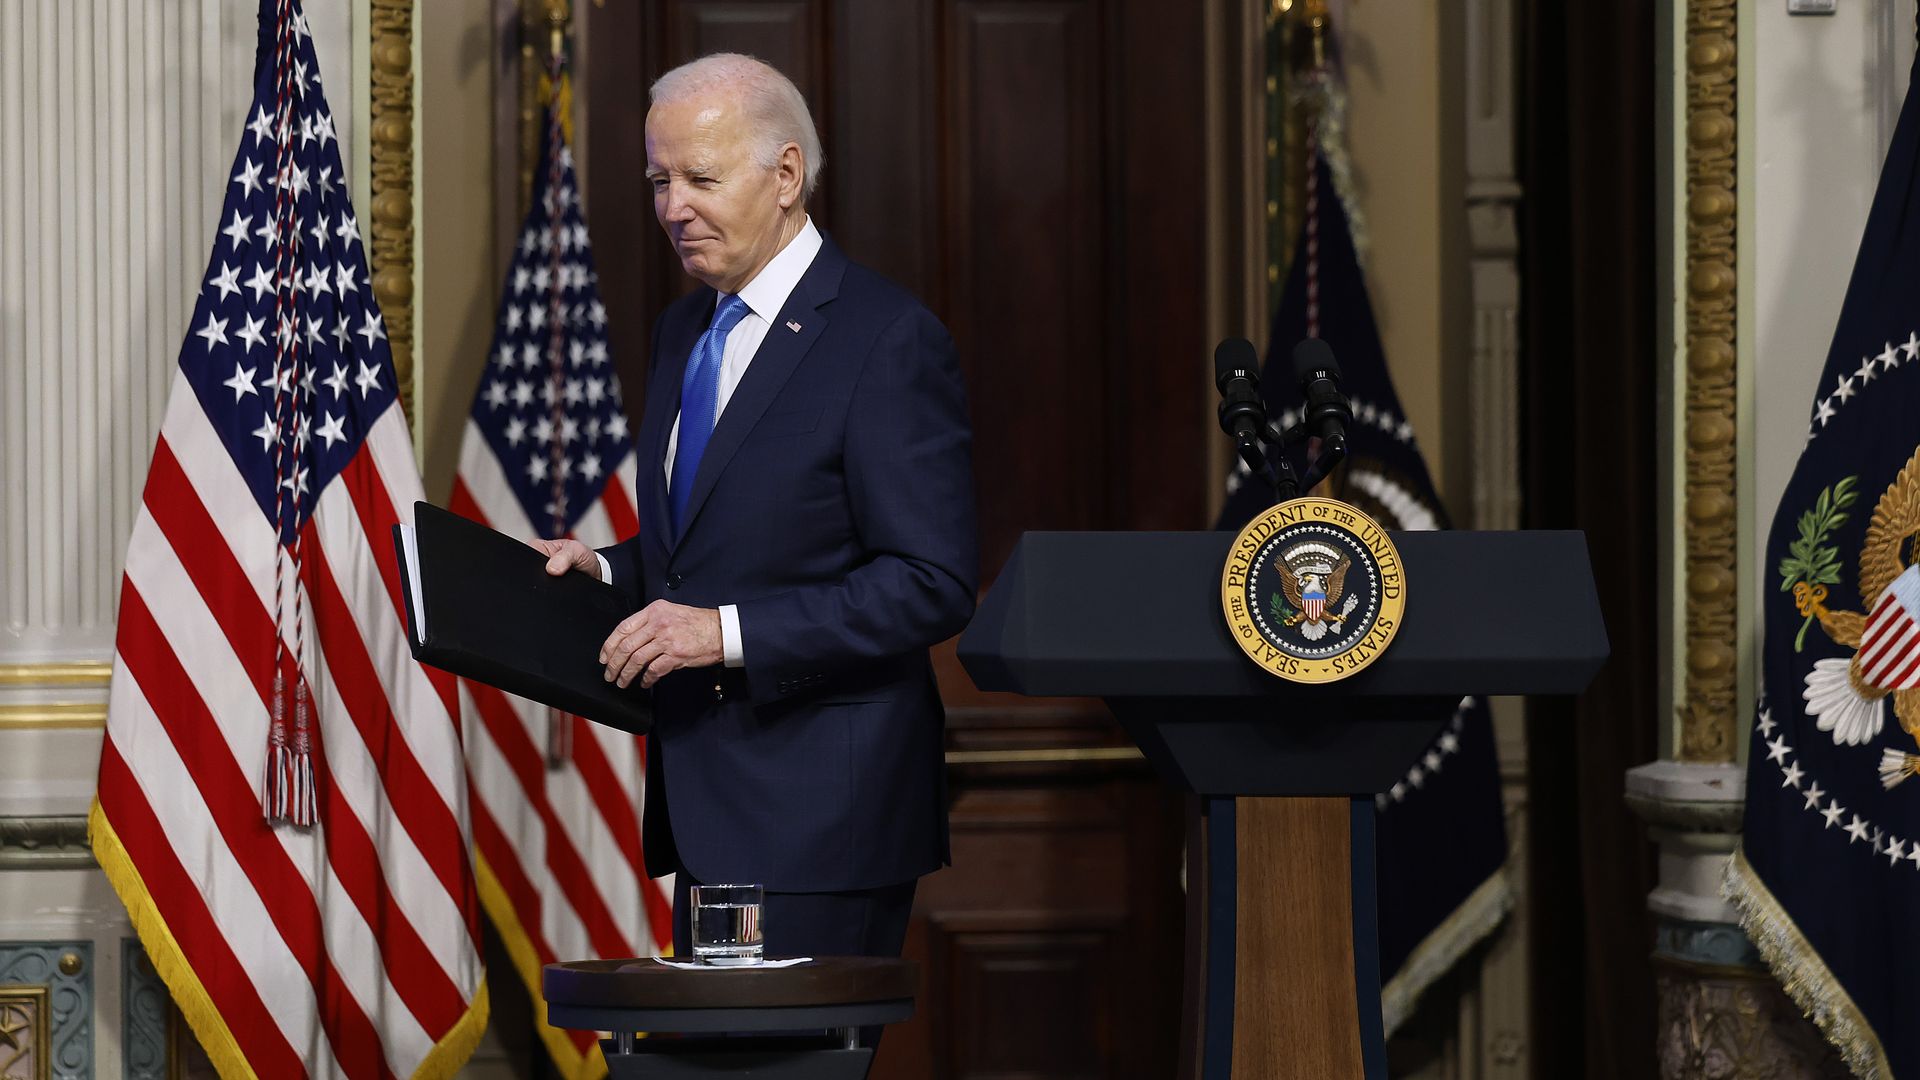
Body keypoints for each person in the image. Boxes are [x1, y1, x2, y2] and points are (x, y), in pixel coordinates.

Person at [531, 52, 978, 965]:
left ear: (786, 176)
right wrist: (610, 569)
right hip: (708, 808)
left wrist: (723, 633)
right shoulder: (683, 330)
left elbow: (930, 583)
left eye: (700, 177)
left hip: (826, 820)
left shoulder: (885, 339)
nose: (672, 208)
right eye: (659, 180)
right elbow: (713, 543)